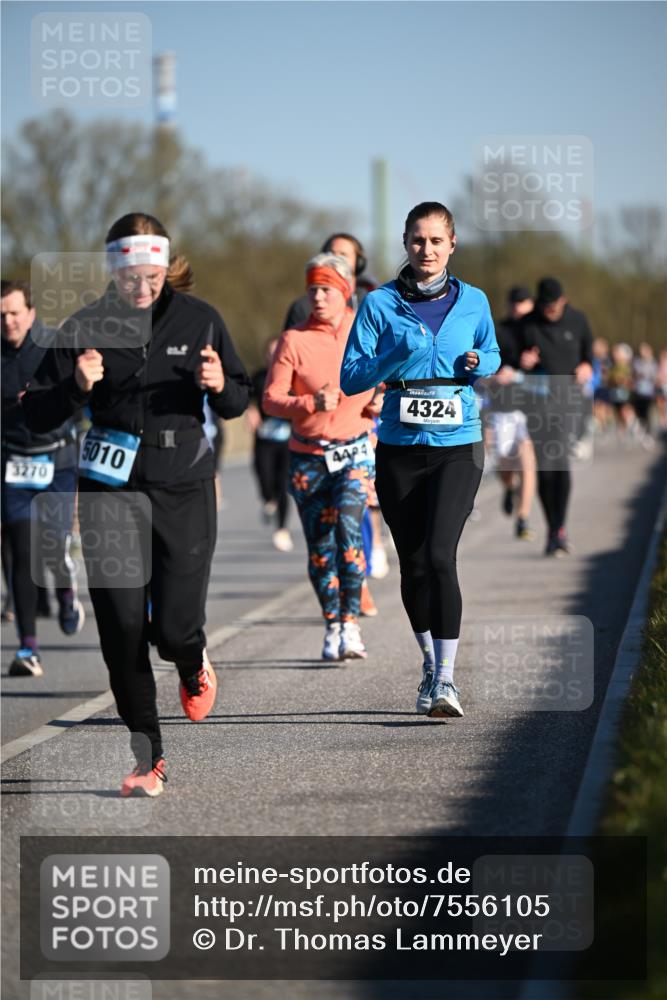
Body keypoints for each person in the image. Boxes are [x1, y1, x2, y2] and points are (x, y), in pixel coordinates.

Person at [23, 213, 251, 796]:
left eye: (151, 276)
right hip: (109, 490)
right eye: (131, 278)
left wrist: (218, 384)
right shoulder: (86, 326)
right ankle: (148, 756)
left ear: (165, 267)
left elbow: (237, 402)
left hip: (182, 485)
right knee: (122, 629)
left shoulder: (200, 320)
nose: (142, 288)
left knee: (174, 629)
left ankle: (192, 659)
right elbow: (35, 412)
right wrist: (76, 385)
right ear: (114, 271)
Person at [341, 201, 500, 719]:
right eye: (417, 241)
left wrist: (481, 362)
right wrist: (393, 355)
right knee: (412, 563)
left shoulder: (473, 300)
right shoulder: (379, 304)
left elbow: (493, 352)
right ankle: (430, 665)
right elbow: (351, 377)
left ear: (452, 245)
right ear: (405, 244)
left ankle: (449, 682)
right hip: (400, 448)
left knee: (439, 556)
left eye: (436, 241)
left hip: (458, 442)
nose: (426, 250)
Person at [264, 253, 377, 661]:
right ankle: (332, 622)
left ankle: (351, 621)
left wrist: (382, 398)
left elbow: (390, 374)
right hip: (308, 458)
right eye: (312, 288)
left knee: (349, 531)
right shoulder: (294, 339)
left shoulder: (365, 330)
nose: (317, 296)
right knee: (320, 548)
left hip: (355, 450)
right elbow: (271, 400)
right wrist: (309, 402)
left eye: (326, 289)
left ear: (345, 291)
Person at [1, 278, 84, 677]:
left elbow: (82, 394)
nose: (8, 322)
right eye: (1, 315)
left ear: (31, 313)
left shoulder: (54, 345)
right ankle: (27, 649)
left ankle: (67, 595)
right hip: (14, 463)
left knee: (51, 545)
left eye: (15, 313)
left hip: (57, 460)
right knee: (22, 550)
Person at [518, 277, 593, 556]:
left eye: (554, 306)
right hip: (537, 402)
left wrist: (586, 366)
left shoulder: (578, 320)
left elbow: (589, 355)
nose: (550, 311)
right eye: (545, 306)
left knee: (559, 461)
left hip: (567, 400)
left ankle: (559, 528)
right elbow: (511, 357)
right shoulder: (528, 324)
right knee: (545, 469)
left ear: (564, 300)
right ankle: (553, 528)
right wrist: (522, 362)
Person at [483, 285, 537, 540]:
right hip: (501, 406)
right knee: (504, 464)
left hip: (528, 408)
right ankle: (508, 487)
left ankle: (523, 519)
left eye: (524, 303)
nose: (519, 308)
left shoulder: (538, 331)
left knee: (527, 461)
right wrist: (495, 376)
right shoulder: (498, 329)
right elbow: (483, 367)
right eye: (515, 303)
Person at [246, 337, 293, 552]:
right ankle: (268, 500)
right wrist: (251, 410)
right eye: (270, 352)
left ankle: (281, 529)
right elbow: (246, 397)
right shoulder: (259, 376)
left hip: (286, 439)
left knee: (282, 484)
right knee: (264, 477)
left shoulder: (294, 376)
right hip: (264, 438)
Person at [282, 233, 370, 331]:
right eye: (331, 254)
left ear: (359, 263)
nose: (336, 259)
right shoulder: (303, 307)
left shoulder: (369, 302)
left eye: (343, 255)